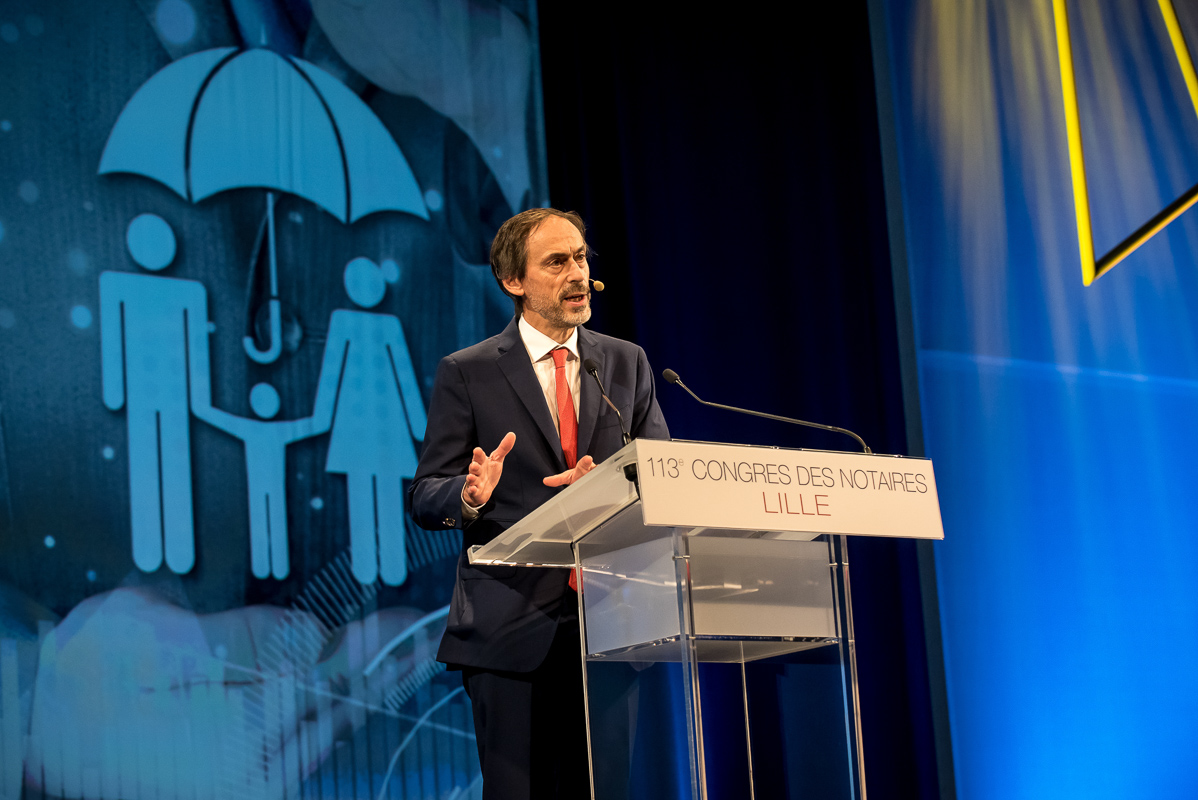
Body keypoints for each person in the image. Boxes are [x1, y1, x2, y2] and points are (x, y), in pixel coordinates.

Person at [409, 208, 669, 799]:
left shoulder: (625, 362)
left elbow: (662, 478)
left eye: (580, 257)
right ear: (513, 281)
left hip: (610, 624)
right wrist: (469, 495)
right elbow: (425, 496)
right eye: (556, 262)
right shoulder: (469, 373)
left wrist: (612, 489)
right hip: (510, 629)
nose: (577, 273)